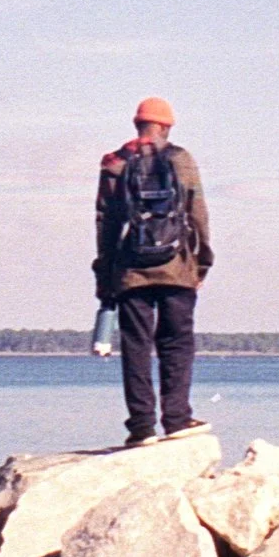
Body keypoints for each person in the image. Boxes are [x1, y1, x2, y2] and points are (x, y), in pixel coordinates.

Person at [94, 96, 214, 446]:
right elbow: (198, 213)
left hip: (130, 270)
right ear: (165, 126)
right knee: (177, 343)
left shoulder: (115, 163)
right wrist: (202, 262)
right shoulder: (182, 159)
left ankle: (141, 427)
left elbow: (105, 221)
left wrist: (105, 272)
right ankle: (177, 419)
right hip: (177, 267)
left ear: (137, 124)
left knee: (136, 345)